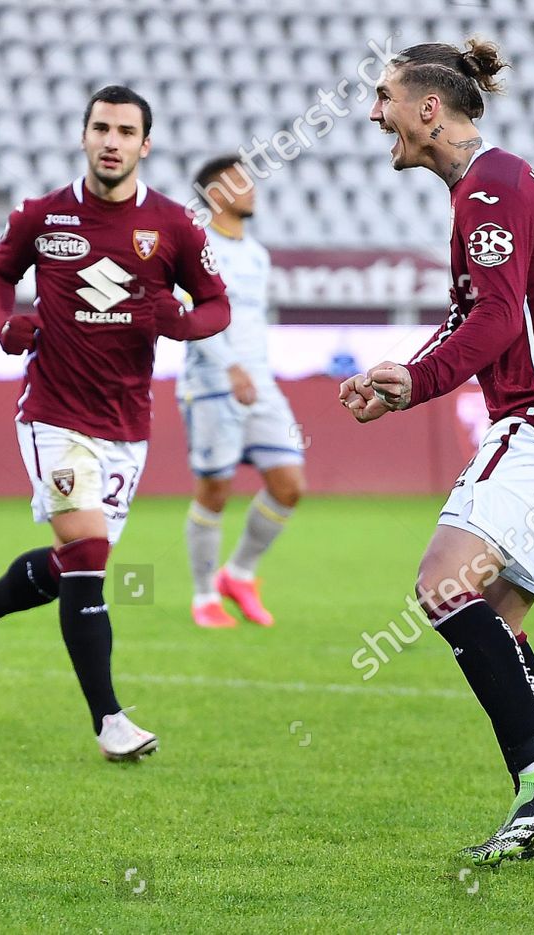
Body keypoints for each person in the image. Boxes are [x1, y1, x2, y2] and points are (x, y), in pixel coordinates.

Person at [345, 38, 534, 864]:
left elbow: (495, 324)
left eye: (385, 97)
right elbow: (476, 314)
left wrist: (419, 382)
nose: (374, 112)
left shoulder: (489, 188)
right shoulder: (491, 185)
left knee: (440, 585)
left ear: (430, 108)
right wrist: (405, 375)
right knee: (498, 616)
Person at [0, 85, 231, 761]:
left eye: (126, 131)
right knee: (91, 558)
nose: (112, 141)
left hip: (127, 423)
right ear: (83, 134)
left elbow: (218, 304)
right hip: (53, 414)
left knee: (75, 563)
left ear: (144, 144)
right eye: (101, 127)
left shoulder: (173, 226)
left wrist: (181, 323)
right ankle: (110, 720)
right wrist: (4, 321)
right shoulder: (43, 215)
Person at [179, 155, 305, 629]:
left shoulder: (257, 253)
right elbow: (193, 316)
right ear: (214, 194)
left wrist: (251, 369)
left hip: (261, 383)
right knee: (215, 489)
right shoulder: (198, 248)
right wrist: (229, 367)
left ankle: (240, 573)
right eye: (239, 182)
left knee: (290, 484)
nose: (252, 189)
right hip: (212, 384)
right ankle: (204, 596)